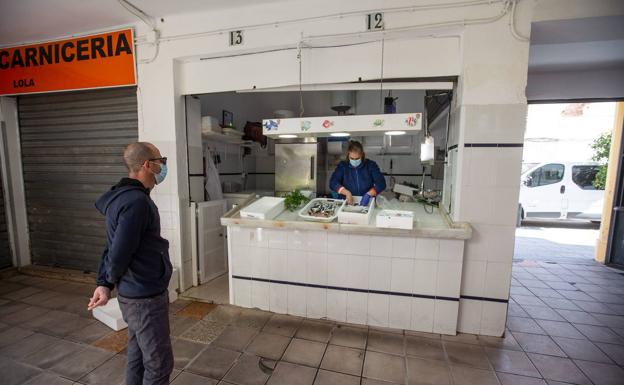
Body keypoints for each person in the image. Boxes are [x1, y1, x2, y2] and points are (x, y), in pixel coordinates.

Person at [88, 142, 173, 385]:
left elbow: (112, 245)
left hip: (134, 293)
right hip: (143, 297)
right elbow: (118, 252)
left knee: (137, 356)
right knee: (159, 364)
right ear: (148, 164)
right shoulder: (136, 202)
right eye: (161, 161)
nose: (163, 166)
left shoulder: (122, 198)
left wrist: (104, 283)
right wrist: (107, 282)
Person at [329, 140, 386, 205]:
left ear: (362, 155)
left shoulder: (370, 165)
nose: (354, 160)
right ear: (348, 154)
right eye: (352, 158)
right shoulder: (343, 166)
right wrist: (346, 192)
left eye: (357, 158)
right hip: (346, 202)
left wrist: (369, 194)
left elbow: (381, 183)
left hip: (367, 202)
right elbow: (333, 183)